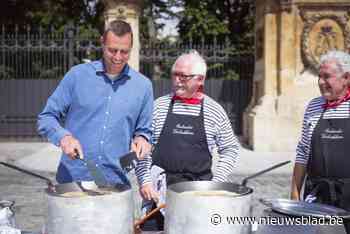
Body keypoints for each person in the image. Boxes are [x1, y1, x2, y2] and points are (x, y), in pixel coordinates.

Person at [37, 20, 153, 186]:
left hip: (116, 184)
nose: (118, 57)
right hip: (72, 181)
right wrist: (64, 137)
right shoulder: (76, 76)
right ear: (102, 43)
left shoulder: (143, 86)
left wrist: (142, 139)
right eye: (112, 50)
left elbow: (144, 131)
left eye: (124, 52)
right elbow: (46, 117)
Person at [135, 50, 240, 231]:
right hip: (158, 196)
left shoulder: (214, 111)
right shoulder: (158, 107)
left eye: (183, 76)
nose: (177, 80)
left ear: (200, 79)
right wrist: (144, 180)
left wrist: (215, 184)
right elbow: (143, 148)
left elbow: (230, 148)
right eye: (175, 74)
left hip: (198, 196)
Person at [291, 50, 350, 232]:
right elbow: (303, 151)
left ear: (346, 78)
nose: (321, 82)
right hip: (317, 194)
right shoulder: (314, 106)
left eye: (327, 77)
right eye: (319, 77)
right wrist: (294, 195)